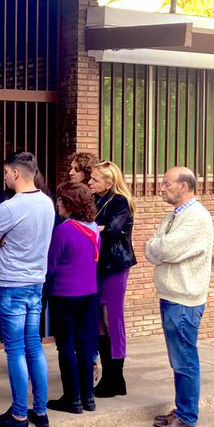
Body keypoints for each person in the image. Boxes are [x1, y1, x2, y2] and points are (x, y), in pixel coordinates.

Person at [0, 151, 55, 427]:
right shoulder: (47, 203)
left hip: (12, 284)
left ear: (15, 173)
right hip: (36, 282)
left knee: (14, 350)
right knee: (33, 345)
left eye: (6, 173)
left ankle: (20, 414)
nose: (5, 178)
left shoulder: (9, 207)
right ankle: (41, 411)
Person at [145, 167, 214, 427]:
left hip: (184, 300)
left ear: (183, 186)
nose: (161, 188)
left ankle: (187, 415)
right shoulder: (175, 215)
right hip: (171, 295)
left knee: (184, 358)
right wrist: (159, 247)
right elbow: (152, 247)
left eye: (166, 184)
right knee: (179, 357)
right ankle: (183, 408)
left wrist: (160, 247)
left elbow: (166, 248)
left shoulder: (197, 217)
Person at [45, 182, 101, 414]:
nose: (57, 203)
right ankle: (88, 397)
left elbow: (51, 265)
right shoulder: (94, 227)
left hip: (64, 294)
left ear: (69, 204)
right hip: (89, 294)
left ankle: (72, 398)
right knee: (85, 345)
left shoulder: (64, 230)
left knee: (66, 346)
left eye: (60, 200)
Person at [88, 160, 136, 398]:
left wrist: (92, 229)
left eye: (95, 179)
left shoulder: (120, 201)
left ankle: (116, 376)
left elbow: (112, 230)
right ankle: (110, 376)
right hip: (98, 265)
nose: (90, 182)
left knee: (112, 317)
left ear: (109, 181)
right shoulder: (96, 199)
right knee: (99, 319)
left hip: (115, 264)